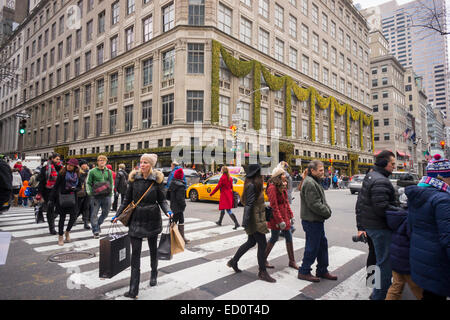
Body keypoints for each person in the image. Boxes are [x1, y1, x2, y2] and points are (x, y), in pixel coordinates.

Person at [112, 153, 172, 299]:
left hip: (152, 218)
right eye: (141, 162)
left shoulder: (157, 181)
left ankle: (154, 273)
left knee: (153, 250)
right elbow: (126, 199)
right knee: (135, 254)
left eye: (145, 162)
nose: (142, 165)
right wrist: (117, 215)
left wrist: (168, 211)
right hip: (136, 219)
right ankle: (134, 288)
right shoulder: (133, 179)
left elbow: (162, 200)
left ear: (151, 165)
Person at [405, 154, 450, 300]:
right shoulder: (442, 199)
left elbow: (410, 229)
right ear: (442, 177)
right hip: (439, 265)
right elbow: (448, 238)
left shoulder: (419, 194)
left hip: (422, 261)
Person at [358, 150, 400, 300]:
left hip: (370, 225)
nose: (395, 166)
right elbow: (382, 207)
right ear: (384, 164)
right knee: (383, 262)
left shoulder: (370, 176)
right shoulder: (380, 180)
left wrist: (360, 226)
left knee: (374, 255)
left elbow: (360, 204)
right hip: (378, 227)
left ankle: (372, 284)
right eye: (393, 164)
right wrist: (400, 211)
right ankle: (378, 293)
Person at [227, 164, 276, 283]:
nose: (263, 174)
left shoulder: (256, 185)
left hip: (257, 217)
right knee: (262, 244)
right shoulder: (252, 186)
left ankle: (234, 261)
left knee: (251, 242)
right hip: (253, 220)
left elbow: (255, 203)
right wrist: (245, 221)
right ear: (256, 174)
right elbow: (248, 204)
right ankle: (262, 272)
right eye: (261, 172)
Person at [298, 160, 336, 283]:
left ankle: (322, 270)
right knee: (312, 247)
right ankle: (304, 271)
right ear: (312, 171)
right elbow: (314, 204)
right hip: (311, 221)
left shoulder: (314, 181)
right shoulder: (309, 183)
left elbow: (320, 201)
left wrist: (326, 209)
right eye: (320, 170)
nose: (322, 172)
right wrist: (327, 211)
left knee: (321, 245)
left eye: (323, 170)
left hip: (316, 220)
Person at [384, 207, 423, 300]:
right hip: (408, 262)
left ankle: (377, 292)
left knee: (396, 286)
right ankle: (376, 291)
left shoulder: (398, 217)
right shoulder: (412, 219)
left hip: (396, 258)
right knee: (419, 290)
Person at [264, 166, 298, 270]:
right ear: (278, 176)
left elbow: (286, 202)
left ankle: (292, 261)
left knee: (288, 236)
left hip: (284, 217)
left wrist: (291, 215)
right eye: (283, 174)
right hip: (276, 218)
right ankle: (263, 259)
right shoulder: (272, 187)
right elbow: (274, 206)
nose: (285, 176)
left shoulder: (281, 186)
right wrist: (280, 220)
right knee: (274, 237)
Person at [49, 158, 82, 246]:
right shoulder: (62, 174)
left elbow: (80, 187)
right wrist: (51, 199)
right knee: (62, 218)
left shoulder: (78, 175)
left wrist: (75, 189)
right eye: (68, 164)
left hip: (73, 198)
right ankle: (60, 236)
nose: (69, 166)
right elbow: (56, 186)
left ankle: (67, 232)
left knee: (73, 217)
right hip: (62, 198)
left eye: (71, 165)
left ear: (75, 167)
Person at [86, 155, 114, 238]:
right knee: (94, 213)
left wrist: (111, 194)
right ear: (97, 162)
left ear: (106, 162)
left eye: (103, 160)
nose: (102, 162)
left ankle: (97, 224)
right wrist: (90, 193)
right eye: (100, 160)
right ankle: (95, 230)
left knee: (106, 213)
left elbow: (111, 183)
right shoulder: (92, 171)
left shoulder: (108, 171)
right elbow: (88, 183)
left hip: (106, 195)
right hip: (96, 196)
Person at [37, 153, 62, 235]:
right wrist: (39, 193)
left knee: (59, 208)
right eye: (56, 159)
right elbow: (41, 181)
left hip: (59, 191)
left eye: (59, 159)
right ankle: (52, 228)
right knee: (50, 210)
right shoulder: (45, 168)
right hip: (48, 192)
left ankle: (51, 218)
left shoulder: (61, 168)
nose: (58, 160)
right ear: (52, 159)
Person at [169, 168, 189, 243]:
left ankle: (179, 237)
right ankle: (175, 237)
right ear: (181, 176)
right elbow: (180, 198)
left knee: (178, 220)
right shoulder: (180, 186)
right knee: (176, 221)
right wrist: (184, 205)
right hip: (179, 207)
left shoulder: (172, 183)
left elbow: (168, 194)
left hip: (173, 205)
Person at [76, 160, 91, 230]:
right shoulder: (78, 172)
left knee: (86, 207)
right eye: (83, 164)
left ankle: (86, 223)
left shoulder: (90, 172)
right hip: (80, 192)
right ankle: (73, 219)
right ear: (81, 165)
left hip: (88, 192)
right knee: (78, 207)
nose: (85, 165)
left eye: (86, 164)